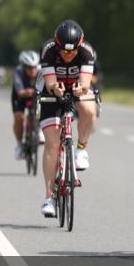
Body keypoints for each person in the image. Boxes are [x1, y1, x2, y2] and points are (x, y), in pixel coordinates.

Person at [39, 20, 97, 218]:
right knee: (52, 144)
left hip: (76, 88)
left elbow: (86, 82)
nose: (68, 55)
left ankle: (81, 149)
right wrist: (56, 89)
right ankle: (49, 197)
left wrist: (82, 88)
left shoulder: (87, 51)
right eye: (63, 51)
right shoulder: (48, 50)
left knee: (89, 110)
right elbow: (50, 83)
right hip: (52, 91)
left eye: (72, 52)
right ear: (57, 45)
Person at [11, 49, 41, 159]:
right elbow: (19, 90)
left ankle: (39, 130)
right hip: (20, 97)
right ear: (23, 67)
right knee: (19, 118)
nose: (32, 70)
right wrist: (25, 92)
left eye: (34, 67)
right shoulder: (18, 72)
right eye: (29, 67)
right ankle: (19, 144)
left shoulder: (41, 71)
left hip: (36, 96)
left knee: (43, 110)